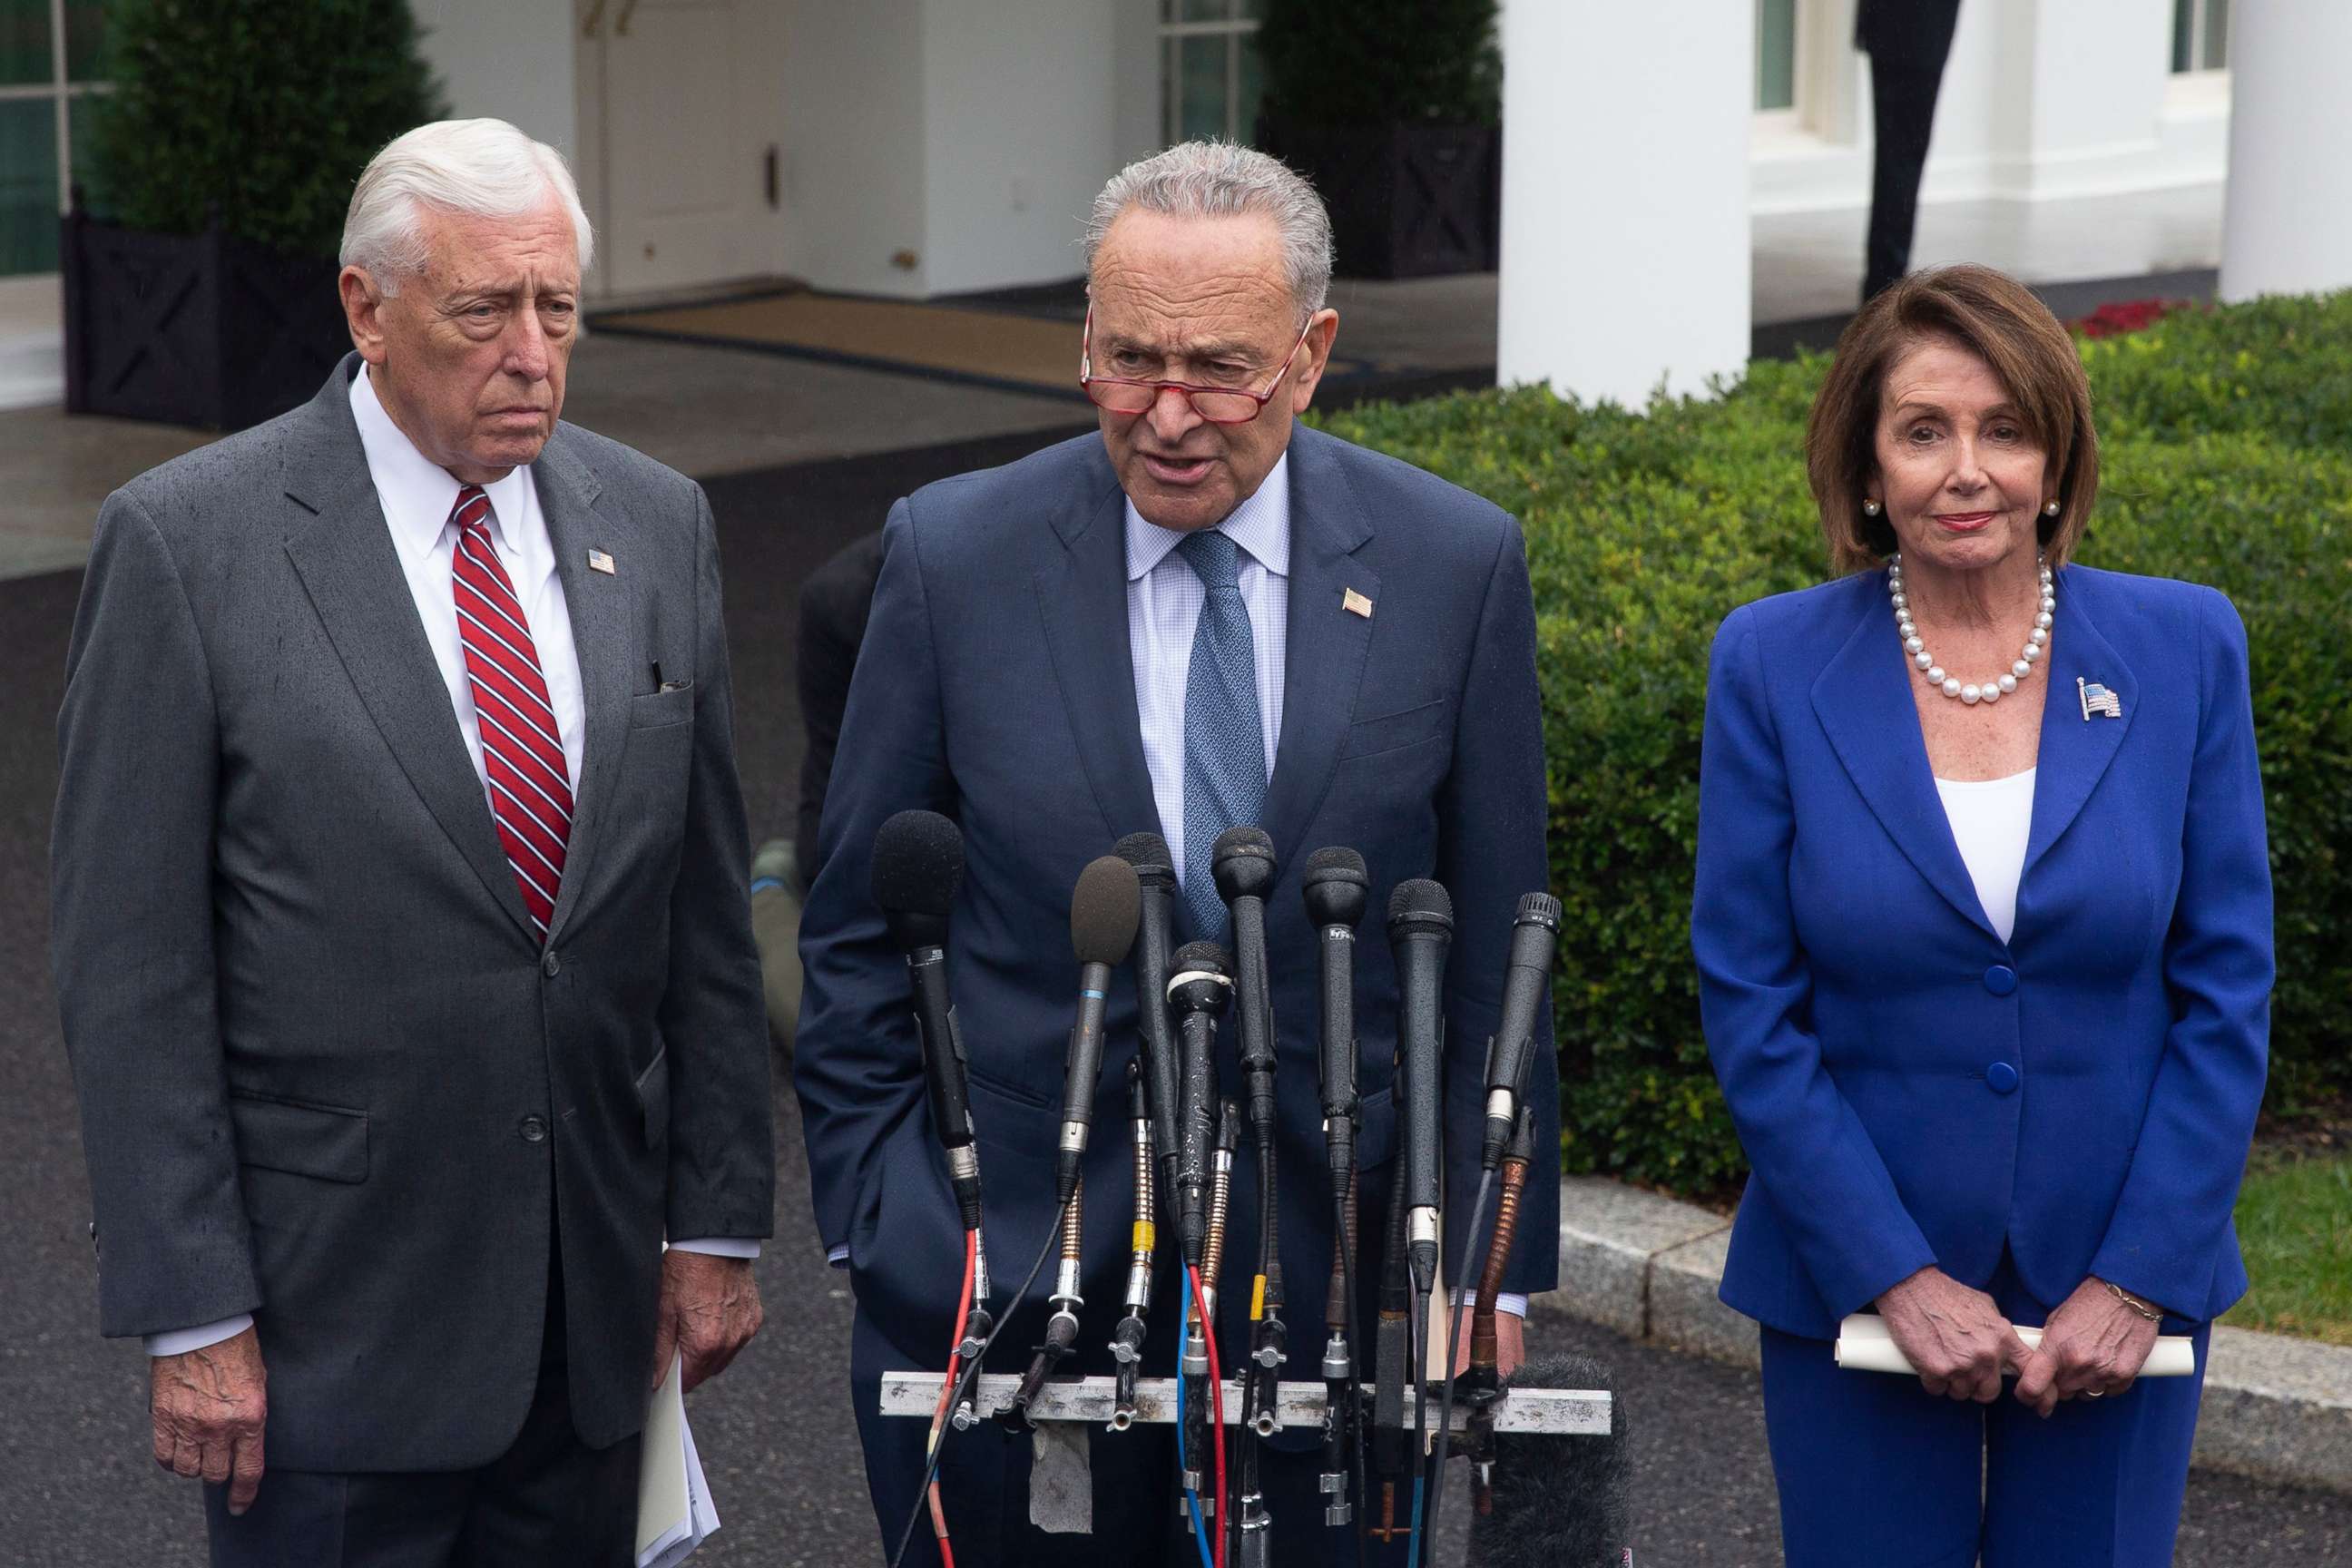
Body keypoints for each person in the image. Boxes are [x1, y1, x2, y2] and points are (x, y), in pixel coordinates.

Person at [794, 141, 1558, 1565]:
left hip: (1334, 1291)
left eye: (1218, 368)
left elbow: (1503, 950)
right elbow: (856, 927)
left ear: (1314, 351)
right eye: (1126, 357)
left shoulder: (1455, 567)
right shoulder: (952, 556)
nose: (1164, 413)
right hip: (1007, 1277)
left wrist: (1491, 1271)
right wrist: (883, 1224)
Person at [50, 118, 775, 1566]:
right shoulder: (190, 544)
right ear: (364, 308)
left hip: (592, 1331)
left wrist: (717, 1221)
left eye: (558, 308)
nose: (532, 354)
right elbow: (132, 967)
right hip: (331, 1337)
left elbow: (697, 910)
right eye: (484, 311)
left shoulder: (658, 521)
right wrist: (196, 1312)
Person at [1691, 263, 2272, 1566]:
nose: (1968, 470)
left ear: (2056, 462)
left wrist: (2139, 1277)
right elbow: (1750, 996)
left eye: (2005, 429)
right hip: (1856, 1290)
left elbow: (2228, 986)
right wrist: (1893, 1272)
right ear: (1867, 466)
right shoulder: (1773, 662)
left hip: (2119, 1299)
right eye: (1924, 431)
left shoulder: (2185, 648)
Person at [1857, 0, 1965, 301]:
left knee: (1899, 156)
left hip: (1901, 26)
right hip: (1914, 28)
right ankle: (1884, 289)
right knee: (1902, 158)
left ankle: (1884, 285)